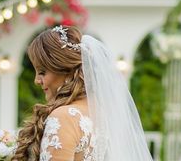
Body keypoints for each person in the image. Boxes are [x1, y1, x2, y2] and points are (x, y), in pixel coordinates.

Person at [11, 25, 152, 161]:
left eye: (42, 72)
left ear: (65, 69)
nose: (36, 80)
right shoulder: (105, 114)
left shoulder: (63, 117)